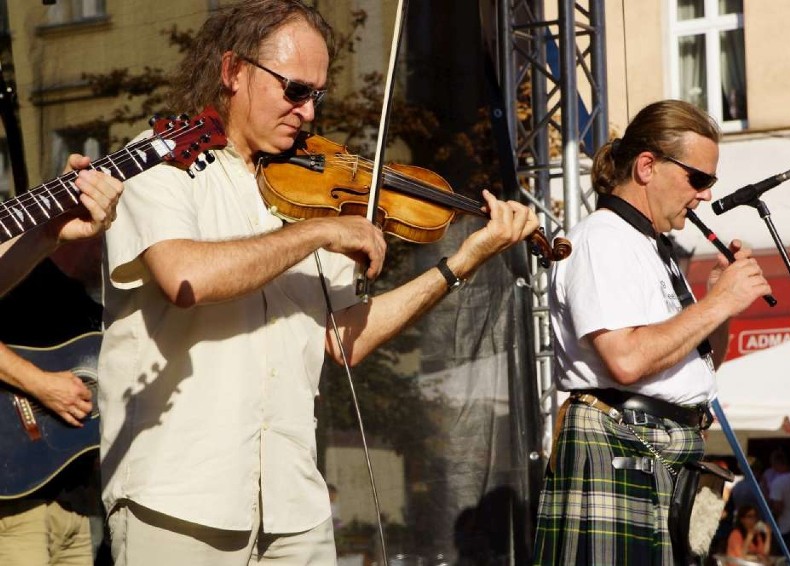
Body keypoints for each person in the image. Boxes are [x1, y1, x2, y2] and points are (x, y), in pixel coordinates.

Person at [96, 1, 540, 565]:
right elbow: (186, 278)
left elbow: (345, 337)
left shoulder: (314, 189)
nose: (308, 113)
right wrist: (318, 233)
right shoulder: (159, 162)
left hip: (292, 503)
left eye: (317, 96)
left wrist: (461, 264)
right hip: (179, 495)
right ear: (233, 71)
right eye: (295, 91)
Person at [533, 99, 772, 565]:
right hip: (621, 446)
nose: (704, 195)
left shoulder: (651, 245)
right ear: (647, 166)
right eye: (698, 179)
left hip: (662, 452)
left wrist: (718, 304)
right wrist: (719, 302)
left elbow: (695, 366)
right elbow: (627, 359)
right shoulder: (603, 238)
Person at [0, 154, 123, 566]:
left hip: (71, 495)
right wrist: (41, 384)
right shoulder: (30, 283)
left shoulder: (92, 306)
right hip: (16, 494)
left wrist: (48, 230)